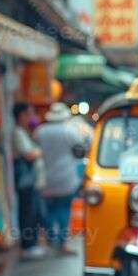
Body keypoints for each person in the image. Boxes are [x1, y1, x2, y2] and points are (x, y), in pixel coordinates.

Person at [34, 102, 83, 256]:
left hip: (45, 178)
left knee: (49, 210)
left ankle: (50, 239)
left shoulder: (40, 131)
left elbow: (34, 150)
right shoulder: (70, 131)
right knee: (64, 210)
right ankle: (62, 242)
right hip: (66, 178)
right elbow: (80, 151)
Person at [12, 103, 47, 260]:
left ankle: (31, 244)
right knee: (28, 212)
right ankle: (28, 245)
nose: (31, 117)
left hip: (30, 181)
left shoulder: (24, 132)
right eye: (29, 114)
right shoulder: (18, 133)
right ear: (21, 115)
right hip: (26, 181)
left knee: (31, 212)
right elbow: (29, 154)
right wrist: (39, 152)